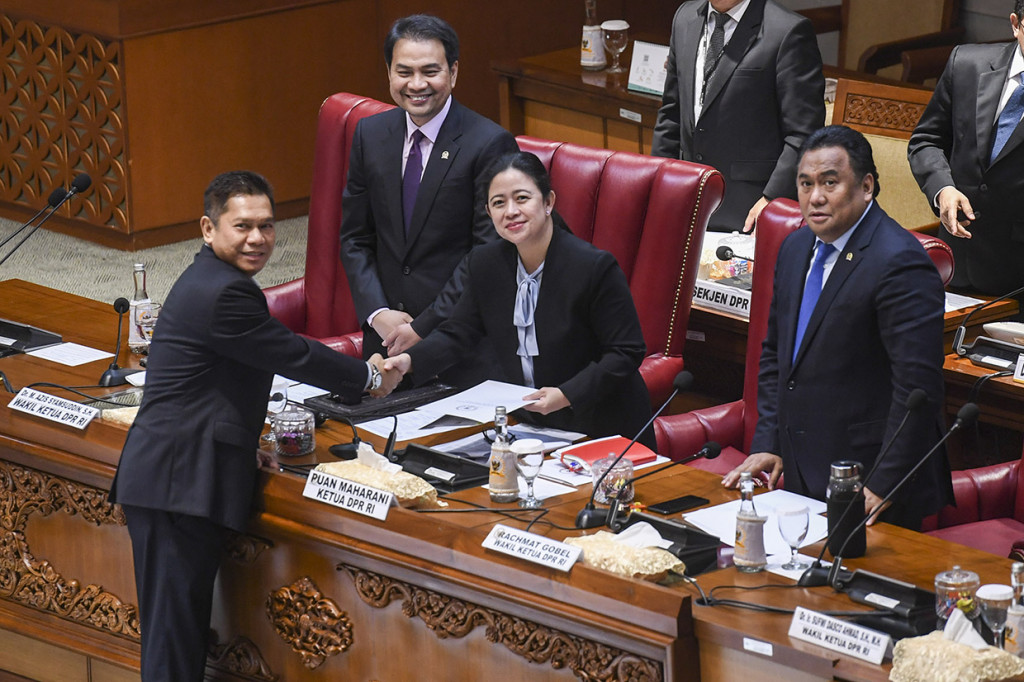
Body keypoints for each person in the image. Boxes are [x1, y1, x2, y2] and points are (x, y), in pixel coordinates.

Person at [109, 171, 400, 681]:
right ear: (207, 227)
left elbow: (211, 386)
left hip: (175, 475)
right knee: (172, 647)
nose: (257, 239)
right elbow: (291, 352)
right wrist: (370, 376)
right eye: (242, 226)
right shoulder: (224, 293)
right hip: (177, 482)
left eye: (267, 226)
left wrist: (243, 447)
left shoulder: (213, 280)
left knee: (178, 636)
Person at [722, 126, 952, 530]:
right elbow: (777, 356)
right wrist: (769, 442)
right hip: (799, 470)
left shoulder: (900, 262)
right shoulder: (795, 248)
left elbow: (917, 389)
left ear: (866, 187)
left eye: (830, 182)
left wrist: (884, 483)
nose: (815, 198)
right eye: (805, 183)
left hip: (870, 483)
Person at [383, 151, 654, 447]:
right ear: (489, 212)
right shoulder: (485, 264)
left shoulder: (593, 267)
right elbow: (459, 332)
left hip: (603, 425)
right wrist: (408, 362)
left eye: (522, 198)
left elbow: (625, 351)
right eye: (499, 203)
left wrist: (566, 395)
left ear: (548, 202)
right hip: (533, 426)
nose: (510, 211)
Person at [339, 14, 519, 383]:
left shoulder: (488, 144)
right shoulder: (369, 134)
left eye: (430, 71)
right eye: (404, 72)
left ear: (453, 73)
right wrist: (377, 313)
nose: (417, 84)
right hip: (385, 338)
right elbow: (355, 237)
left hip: (458, 342)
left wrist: (424, 325)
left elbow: (487, 254)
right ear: (389, 73)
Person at [651, 0, 825, 233]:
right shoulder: (684, 17)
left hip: (750, 211)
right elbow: (672, 113)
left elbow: (804, 133)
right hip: (684, 202)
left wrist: (772, 199)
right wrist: (657, 184)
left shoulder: (788, 31)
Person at [908, 1, 1024, 308]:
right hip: (950, 263)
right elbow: (926, 140)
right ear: (1015, 24)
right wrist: (943, 188)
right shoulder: (966, 63)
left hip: (1016, 281)